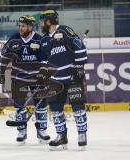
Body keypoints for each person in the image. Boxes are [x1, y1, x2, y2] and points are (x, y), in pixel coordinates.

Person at [0, 15, 50, 144]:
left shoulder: (39, 39)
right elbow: (5, 55)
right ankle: (21, 131)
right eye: (19, 26)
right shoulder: (14, 38)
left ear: (31, 27)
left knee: (41, 106)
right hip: (18, 78)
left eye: (23, 26)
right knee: (20, 106)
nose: (21, 28)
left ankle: (41, 131)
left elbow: (44, 59)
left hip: (36, 78)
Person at [39, 10, 88, 150]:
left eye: (42, 21)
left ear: (49, 21)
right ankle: (61, 136)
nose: (40, 24)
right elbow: (44, 61)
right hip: (55, 80)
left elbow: (79, 47)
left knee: (78, 107)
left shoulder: (65, 30)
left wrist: (79, 67)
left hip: (73, 77)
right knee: (55, 109)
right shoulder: (44, 40)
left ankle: (82, 134)